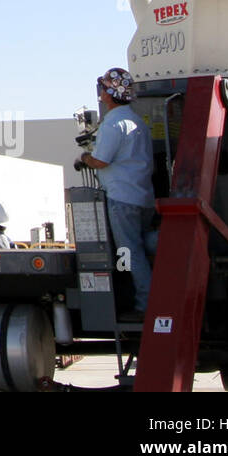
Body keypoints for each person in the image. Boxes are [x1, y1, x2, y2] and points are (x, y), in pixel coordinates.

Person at [76, 66, 157, 317]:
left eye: (103, 87)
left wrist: (85, 157)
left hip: (122, 199)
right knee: (144, 246)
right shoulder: (136, 121)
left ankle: (146, 304)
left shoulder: (113, 124)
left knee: (129, 253)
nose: (100, 91)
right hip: (143, 197)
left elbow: (101, 160)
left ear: (109, 93)